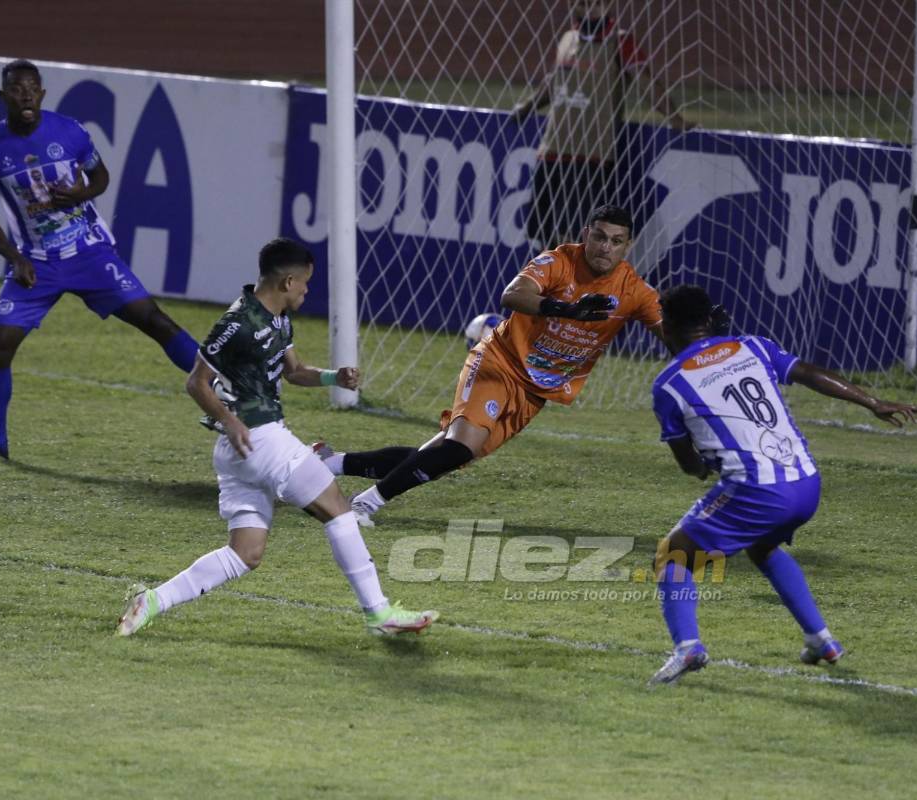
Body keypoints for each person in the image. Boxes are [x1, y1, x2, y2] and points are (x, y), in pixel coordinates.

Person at [116, 238, 437, 638]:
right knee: (337, 507)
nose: (307, 290)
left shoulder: (280, 318)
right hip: (257, 437)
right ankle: (379, 613)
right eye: (305, 283)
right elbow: (196, 383)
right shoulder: (238, 322)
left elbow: (294, 371)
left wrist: (332, 377)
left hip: (241, 452)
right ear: (287, 281)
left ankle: (154, 601)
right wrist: (229, 420)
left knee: (245, 553)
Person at [318, 205, 664, 526]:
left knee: (445, 456)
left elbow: (670, 331)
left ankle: (331, 463)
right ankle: (365, 504)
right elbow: (512, 294)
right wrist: (566, 309)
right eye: (600, 237)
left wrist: (705, 334)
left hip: (535, 391)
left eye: (616, 241)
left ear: (627, 246)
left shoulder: (634, 291)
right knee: (458, 446)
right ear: (586, 233)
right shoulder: (559, 261)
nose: (606, 247)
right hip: (500, 361)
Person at [646, 285, 917, 685]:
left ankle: (688, 648)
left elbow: (689, 466)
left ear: (665, 327)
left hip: (759, 491)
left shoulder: (669, 385)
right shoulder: (753, 347)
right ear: (709, 320)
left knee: (672, 554)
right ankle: (821, 639)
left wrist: (704, 465)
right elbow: (809, 372)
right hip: (806, 482)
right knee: (762, 546)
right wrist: (872, 403)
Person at [0, 59, 200, 463]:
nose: (27, 95)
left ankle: (228, 387)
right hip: (37, 262)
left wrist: (81, 195)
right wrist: (14, 257)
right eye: (18, 89)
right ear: (3, 96)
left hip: (89, 252)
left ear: (42, 93)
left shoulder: (69, 131)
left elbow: (101, 177)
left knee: (154, 320)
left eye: (33, 88)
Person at [510, 2, 689, 250]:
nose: (591, 8)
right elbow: (555, 81)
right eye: (584, 3)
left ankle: (576, 289)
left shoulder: (620, 41)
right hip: (551, 152)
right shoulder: (568, 38)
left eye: (597, 4)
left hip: (591, 156)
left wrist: (675, 118)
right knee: (544, 236)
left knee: (580, 239)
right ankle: (547, 288)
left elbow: (645, 82)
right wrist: (528, 107)